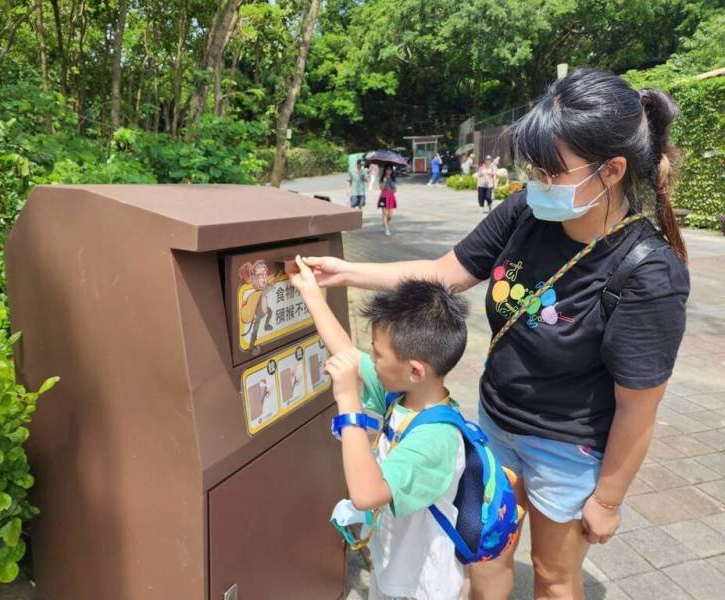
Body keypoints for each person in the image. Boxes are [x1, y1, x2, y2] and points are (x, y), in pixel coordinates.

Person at [300, 67, 690, 599]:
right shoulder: (526, 212)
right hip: (495, 423)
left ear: (612, 170)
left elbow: (638, 408)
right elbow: (444, 272)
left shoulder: (648, 273)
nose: (536, 180)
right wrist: (346, 273)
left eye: (551, 169)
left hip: (567, 447)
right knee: (484, 556)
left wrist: (607, 499)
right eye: (533, 166)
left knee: (553, 577)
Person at [289, 257, 469, 600]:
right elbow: (346, 352)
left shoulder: (436, 439)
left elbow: (366, 493)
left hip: (420, 586)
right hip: (393, 565)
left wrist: (348, 402)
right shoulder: (404, 394)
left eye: (377, 355)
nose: (369, 359)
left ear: (415, 370)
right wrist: (311, 293)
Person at [378, 165, 397, 236]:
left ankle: (385, 223)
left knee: (390, 216)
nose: (388, 171)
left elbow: (395, 190)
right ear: (385, 171)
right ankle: (387, 229)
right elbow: (381, 188)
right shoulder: (382, 178)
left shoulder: (393, 179)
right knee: (385, 214)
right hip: (383, 197)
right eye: (387, 170)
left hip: (391, 197)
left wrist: (394, 189)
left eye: (390, 170)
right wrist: (384, 181)